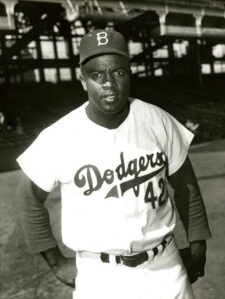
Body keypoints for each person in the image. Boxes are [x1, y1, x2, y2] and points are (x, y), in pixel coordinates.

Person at [17, 29, 211, 299]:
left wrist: (198, 246)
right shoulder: (59, 136)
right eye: (97, 75)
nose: (109, 83)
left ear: (129, 74)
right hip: (101, 274)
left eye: (118, 72)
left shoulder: (157, 120)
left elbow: (186, 186)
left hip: (165, 265)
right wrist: (56, 262)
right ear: (83, 80)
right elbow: (27, 201)